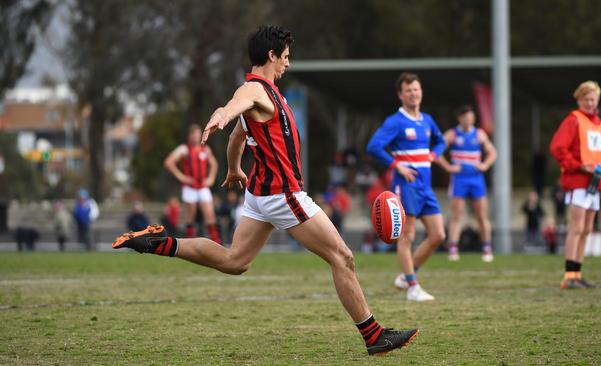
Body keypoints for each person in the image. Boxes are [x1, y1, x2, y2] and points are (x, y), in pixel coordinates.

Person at [113, 25, 417, 356]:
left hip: (260, 195)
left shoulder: (270, 94)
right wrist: (222, 115)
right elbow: (233, 108)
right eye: (285, 57)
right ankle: (374, 336)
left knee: (235, 260)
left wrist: (232, 168)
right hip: (282, 194)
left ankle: (155, 242)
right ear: (271, 56)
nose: (288, 63)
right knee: (342, 257)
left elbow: (237, 138)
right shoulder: (256, 90)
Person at [366, 72, 446, 302]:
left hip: (426, 187)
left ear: (421, 92)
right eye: (408, 90)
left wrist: (434, 155)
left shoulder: (427, 120)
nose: (413, 94)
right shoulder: (395, 122)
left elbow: (440, 142)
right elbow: (374, 146)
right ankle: (413, 287)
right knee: (407, 237)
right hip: (406, 186)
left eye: (416, 89)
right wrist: (396, 165)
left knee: (438, 235)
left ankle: (406, 276)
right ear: (400, 94)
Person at [550, 80, 601, 289]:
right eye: (586, 99)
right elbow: (558, 148)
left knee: (586, 229)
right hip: (578, 181)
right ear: (579, 100)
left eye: (593, 99)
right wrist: (578, 166)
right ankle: (569, 276)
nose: (590, 102)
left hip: (595, 183)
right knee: (576, 228)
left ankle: (577, 273)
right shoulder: (573, 120)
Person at [437, 105, 497, 262]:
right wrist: (448, 167)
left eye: (470, 117)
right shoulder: (452, 134)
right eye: (465, 117)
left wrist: (484, 165)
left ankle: (487, 247)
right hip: (459, 179)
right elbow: (437, 152)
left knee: (482, 215)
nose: (468, 119)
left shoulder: (479, 134)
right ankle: (453, 248)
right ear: (459, 118)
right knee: (456, 215)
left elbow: (492, 152)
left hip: (476, 179)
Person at [165, 124, 221, 243]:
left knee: (210, 216)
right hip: (190, 187)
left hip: (202, 187)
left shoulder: (205, 149)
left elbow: (214, 164)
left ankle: (217, 242)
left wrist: (211, 178)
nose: (196, 137)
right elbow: (169, 162)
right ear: (189, 136)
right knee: (190, 217)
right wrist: (181, 177)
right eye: (194, 134)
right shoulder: (184, 149)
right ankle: (190, 243)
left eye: (198, 134)